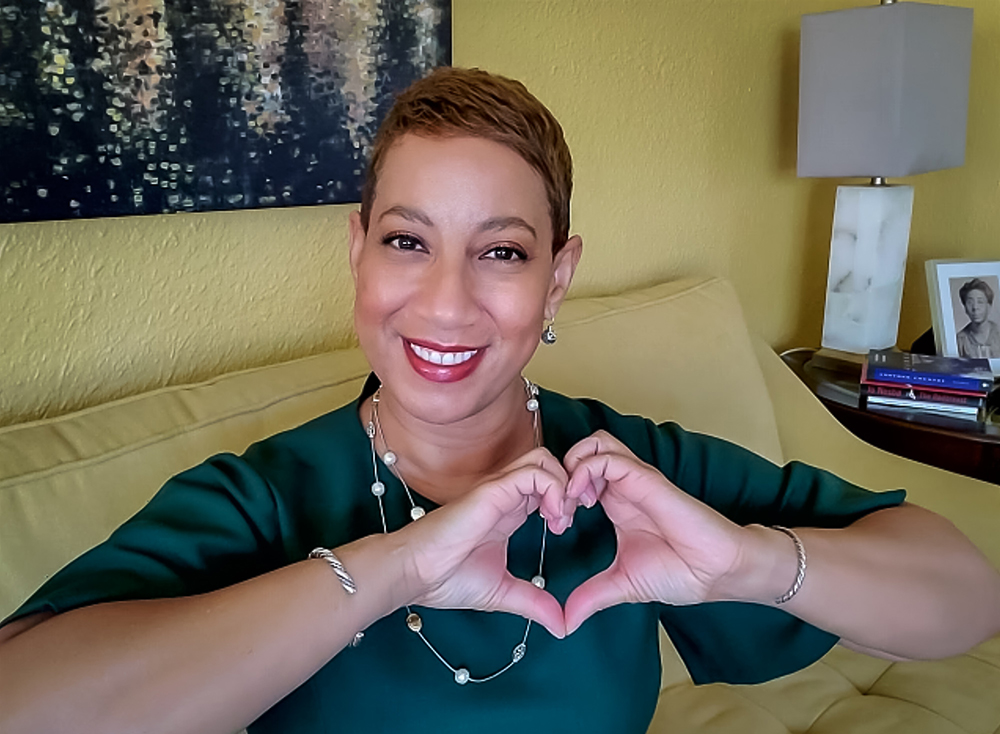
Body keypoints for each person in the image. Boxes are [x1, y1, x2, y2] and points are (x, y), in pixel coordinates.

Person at [1, 67, 999, 734]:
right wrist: (391, 566)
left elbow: (963, 596)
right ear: (357, 253)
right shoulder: (264, 496)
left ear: (557, 277)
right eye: (406, 240)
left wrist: (746, 559)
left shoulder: (631, 472)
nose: (444, 299)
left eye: (502, 251)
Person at [956, 278, 1000, 359]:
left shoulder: (998, 333)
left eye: (980, 302)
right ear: (965, 308)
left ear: (989, 306)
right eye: (970, 302)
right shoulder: (960, 340)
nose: (975, 307)